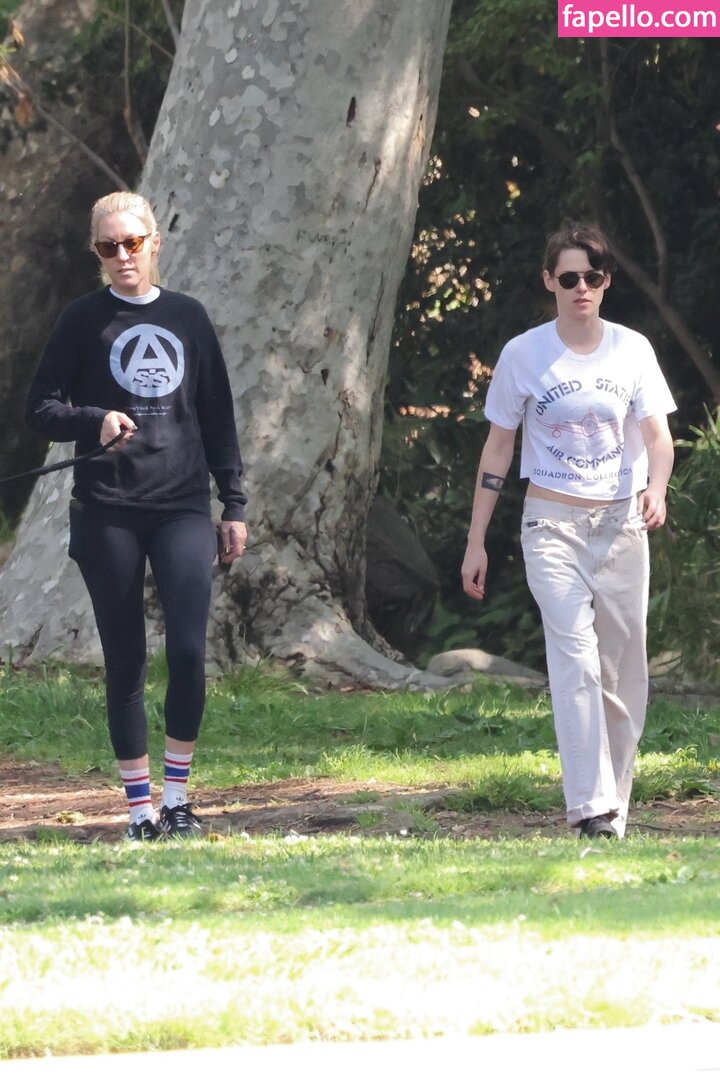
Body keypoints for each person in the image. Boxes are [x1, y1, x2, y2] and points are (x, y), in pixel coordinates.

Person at [26, 191, 248, 842]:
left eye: (132, 242)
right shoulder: (82, 319)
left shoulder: (187, 317)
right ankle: (138, 813)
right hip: (108, 511)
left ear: (154, 242)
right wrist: (94, 420)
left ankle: (177, 801)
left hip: (182, 506)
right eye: (108, 246)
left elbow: (217, 415)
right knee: (125, 661)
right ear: (96, 253)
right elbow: (40, 408)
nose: (122, 255)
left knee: (188, 652)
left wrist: (233, 503)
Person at [461, 222, 676, 839]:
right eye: (570, 277)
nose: (582, 287)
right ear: (549, 281)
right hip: (550, 525)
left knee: (623, 672)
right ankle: (590, 808)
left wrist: (656, 489)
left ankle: (615, 807)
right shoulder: (523, 355)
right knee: (576, 659)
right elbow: (498, 449)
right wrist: (476, 541)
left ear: (606, 282)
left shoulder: (632, 349)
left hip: (622, 525)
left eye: (593, 276)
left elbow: (659, 438)